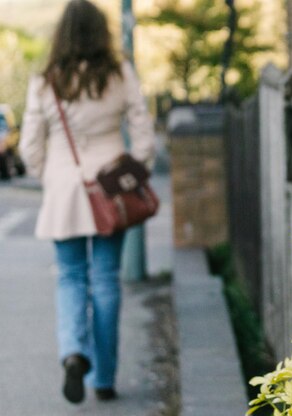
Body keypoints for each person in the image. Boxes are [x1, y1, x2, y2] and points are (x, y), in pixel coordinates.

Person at [19, 0, 155, 405]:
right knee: (105, 279)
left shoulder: (46, 81)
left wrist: (51, 177)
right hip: (111, 191)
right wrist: (133, 168)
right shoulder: (118, 73)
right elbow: (143, 131)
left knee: (70, 277)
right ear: (101, 32)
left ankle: (73, 353)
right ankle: (105, 378)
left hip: (64, 191)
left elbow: (29, 148)